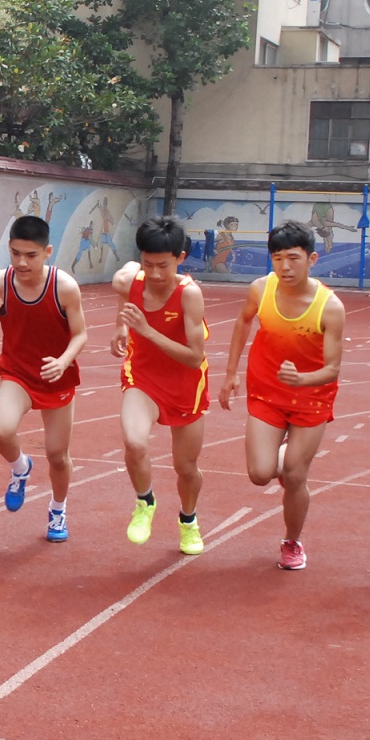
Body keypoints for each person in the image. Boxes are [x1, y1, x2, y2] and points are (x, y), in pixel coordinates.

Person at [218, 220, 345, 570]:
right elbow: (243, 322)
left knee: (294, 475)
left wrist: (303, 379)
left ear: (312, 258)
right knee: (260, 473)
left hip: (312, 397)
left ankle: (292, 542)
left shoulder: (329, 307)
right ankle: (287, 451)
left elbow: (333, 368)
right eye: (277, 259)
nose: (285, 267)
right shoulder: (260, 290)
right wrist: (230, 374)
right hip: (267, 392)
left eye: (293, 258)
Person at [0, 215, 88, 544]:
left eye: (31, 255)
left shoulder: (64, 287)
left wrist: (64, 361)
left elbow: (81, 334)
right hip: (18, 372)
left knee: (57, 455)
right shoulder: (0, 281)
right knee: (1, 430)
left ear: (47, 252)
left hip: (57, 378)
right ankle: (21, 467)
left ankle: (58, 508)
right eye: (15, 253)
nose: (22, 262)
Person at [112, 216, 210, 555]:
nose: (154, 274)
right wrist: (121, 327)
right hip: (143, 378)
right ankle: (145, 502)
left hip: (186, 385)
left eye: (163, 266)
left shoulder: (189, 295)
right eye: (147, 263)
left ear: (180, 258)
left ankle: (188, 521)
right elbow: (123, 287)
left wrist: (147, 330)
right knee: (134, 442)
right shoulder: (129, 280)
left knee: (186, 468)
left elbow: (195, 358)